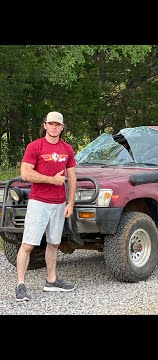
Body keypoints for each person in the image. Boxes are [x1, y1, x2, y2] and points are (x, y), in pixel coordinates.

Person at [15, 111, 77, 302]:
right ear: (45, 125)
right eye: (51, 124)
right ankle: (20, 285)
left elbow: (72, 177)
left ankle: (51, 281)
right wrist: (52, 180)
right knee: (28, 244)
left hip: (59, 204)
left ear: (62, 127)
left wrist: (71, 203)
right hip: (39, 202)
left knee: (54, 243)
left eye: (58, 125)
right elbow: (25, 173)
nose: (54, 127)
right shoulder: (35, 146)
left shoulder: (67, 148)